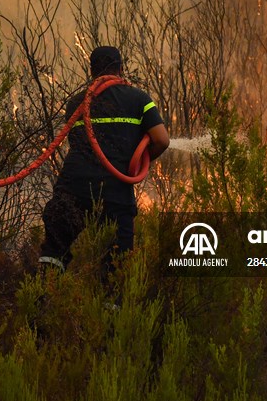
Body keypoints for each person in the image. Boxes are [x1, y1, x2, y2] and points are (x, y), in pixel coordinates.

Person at [38, 46, 170, 286]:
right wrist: (138, 161)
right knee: (117, 265)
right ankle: (110, 314)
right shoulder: (139, 99)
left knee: (54, 251)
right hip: (115, 192)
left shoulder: (76, 104)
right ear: (121, 68)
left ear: (91, 71)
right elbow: (161, 140)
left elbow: (77, 143)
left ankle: (41, 306)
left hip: (72, 187)